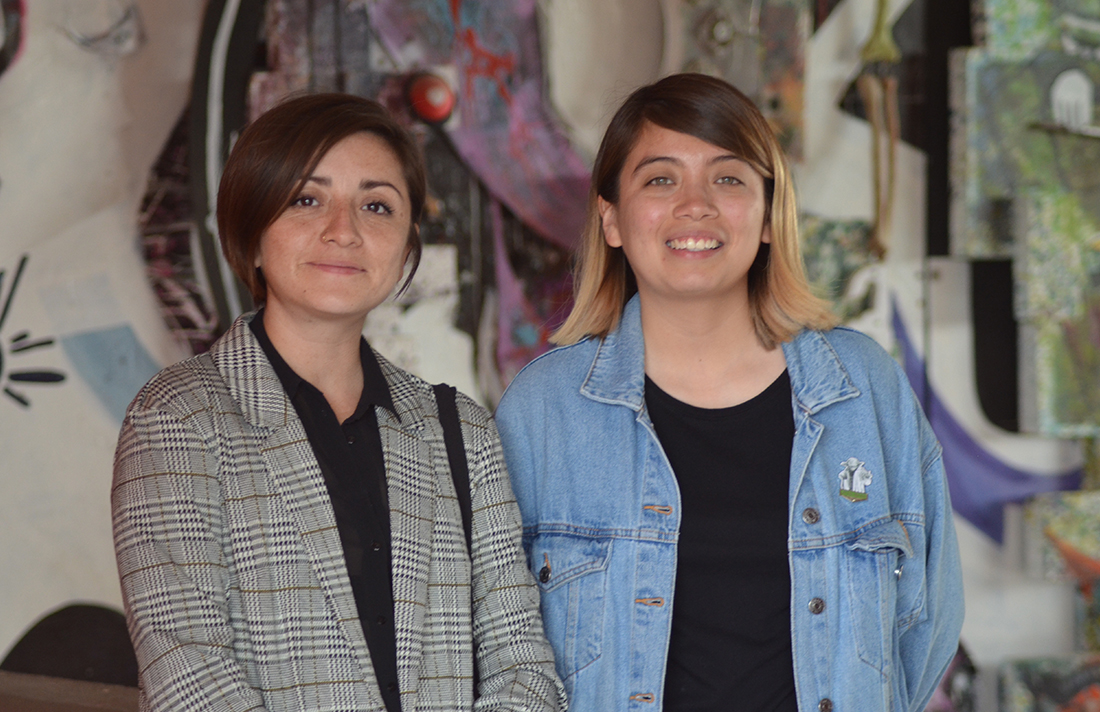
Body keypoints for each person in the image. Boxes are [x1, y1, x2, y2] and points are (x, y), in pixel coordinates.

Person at [494, 73, 963, 712]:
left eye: (728, 178)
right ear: (612, 220)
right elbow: (503, 651)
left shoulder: (862, 389)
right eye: (660, 179)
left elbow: (925, 621)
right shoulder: (543, 410)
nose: (696, 205)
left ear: (768, 216)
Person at [112, 93, 565, 712]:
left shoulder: (460, 430)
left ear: (407, 245)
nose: (343, 231)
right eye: (307, 199)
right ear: (252, 230)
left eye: (376, 205)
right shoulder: (179, 419)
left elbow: (524, 667)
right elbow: (190, 684)